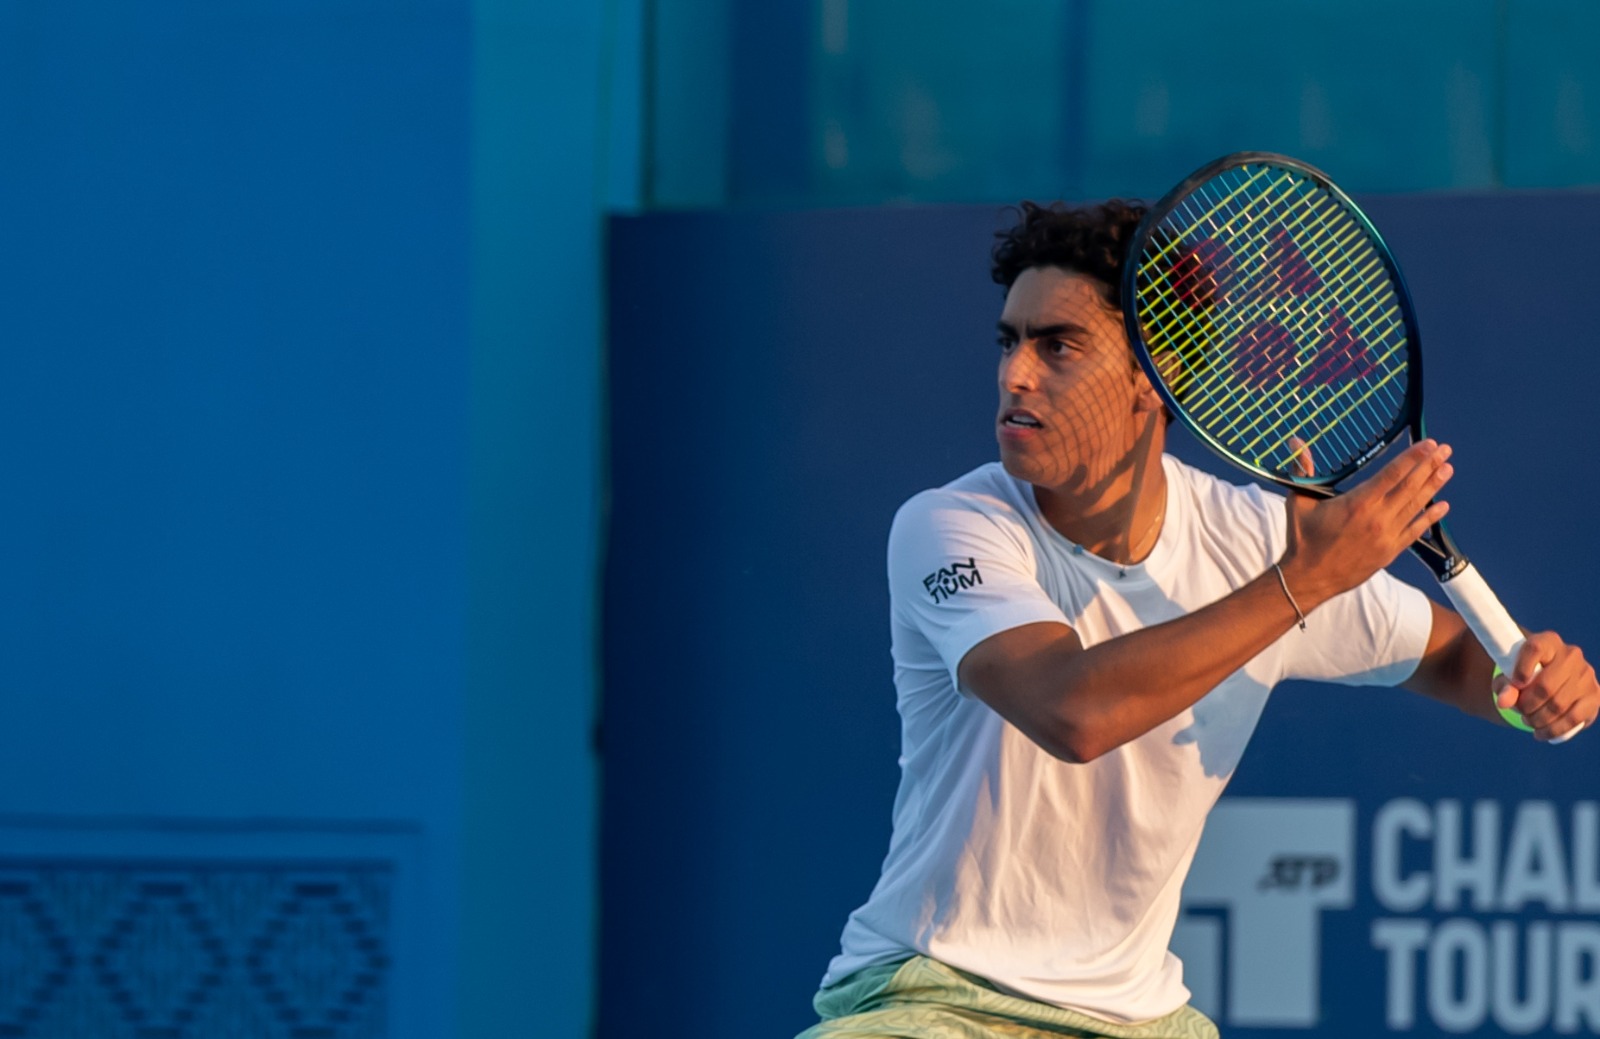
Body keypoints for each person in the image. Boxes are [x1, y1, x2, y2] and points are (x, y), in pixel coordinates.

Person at [795, 200, 1600, 1039]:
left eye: (1057, 346)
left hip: (1142, 1019)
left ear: (1156, 374)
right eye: (1009, 342)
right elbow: (1073, 711)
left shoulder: (1255, 543)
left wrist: (1532, 694)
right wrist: (1300, 582)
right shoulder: (952, 525)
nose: (1015, 375)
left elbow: (1459, 659)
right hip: (936, 997)